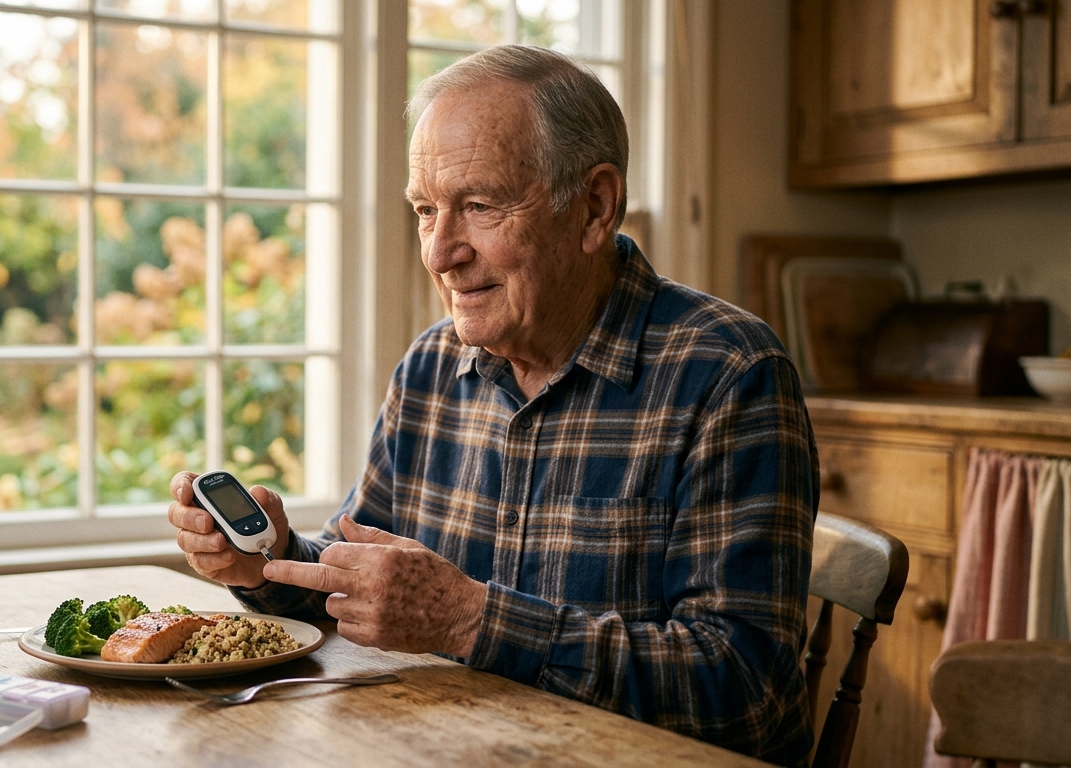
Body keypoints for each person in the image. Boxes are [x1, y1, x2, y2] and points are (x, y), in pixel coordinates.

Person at [168, 45, 818, 765]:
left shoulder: (729, 374)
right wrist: (270, 561)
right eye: (425, 211)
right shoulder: (430, 367)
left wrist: (470, 620)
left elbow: (746, 690)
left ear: (594, 207)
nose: (442, 251)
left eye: (479, 206)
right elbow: (370, 584)